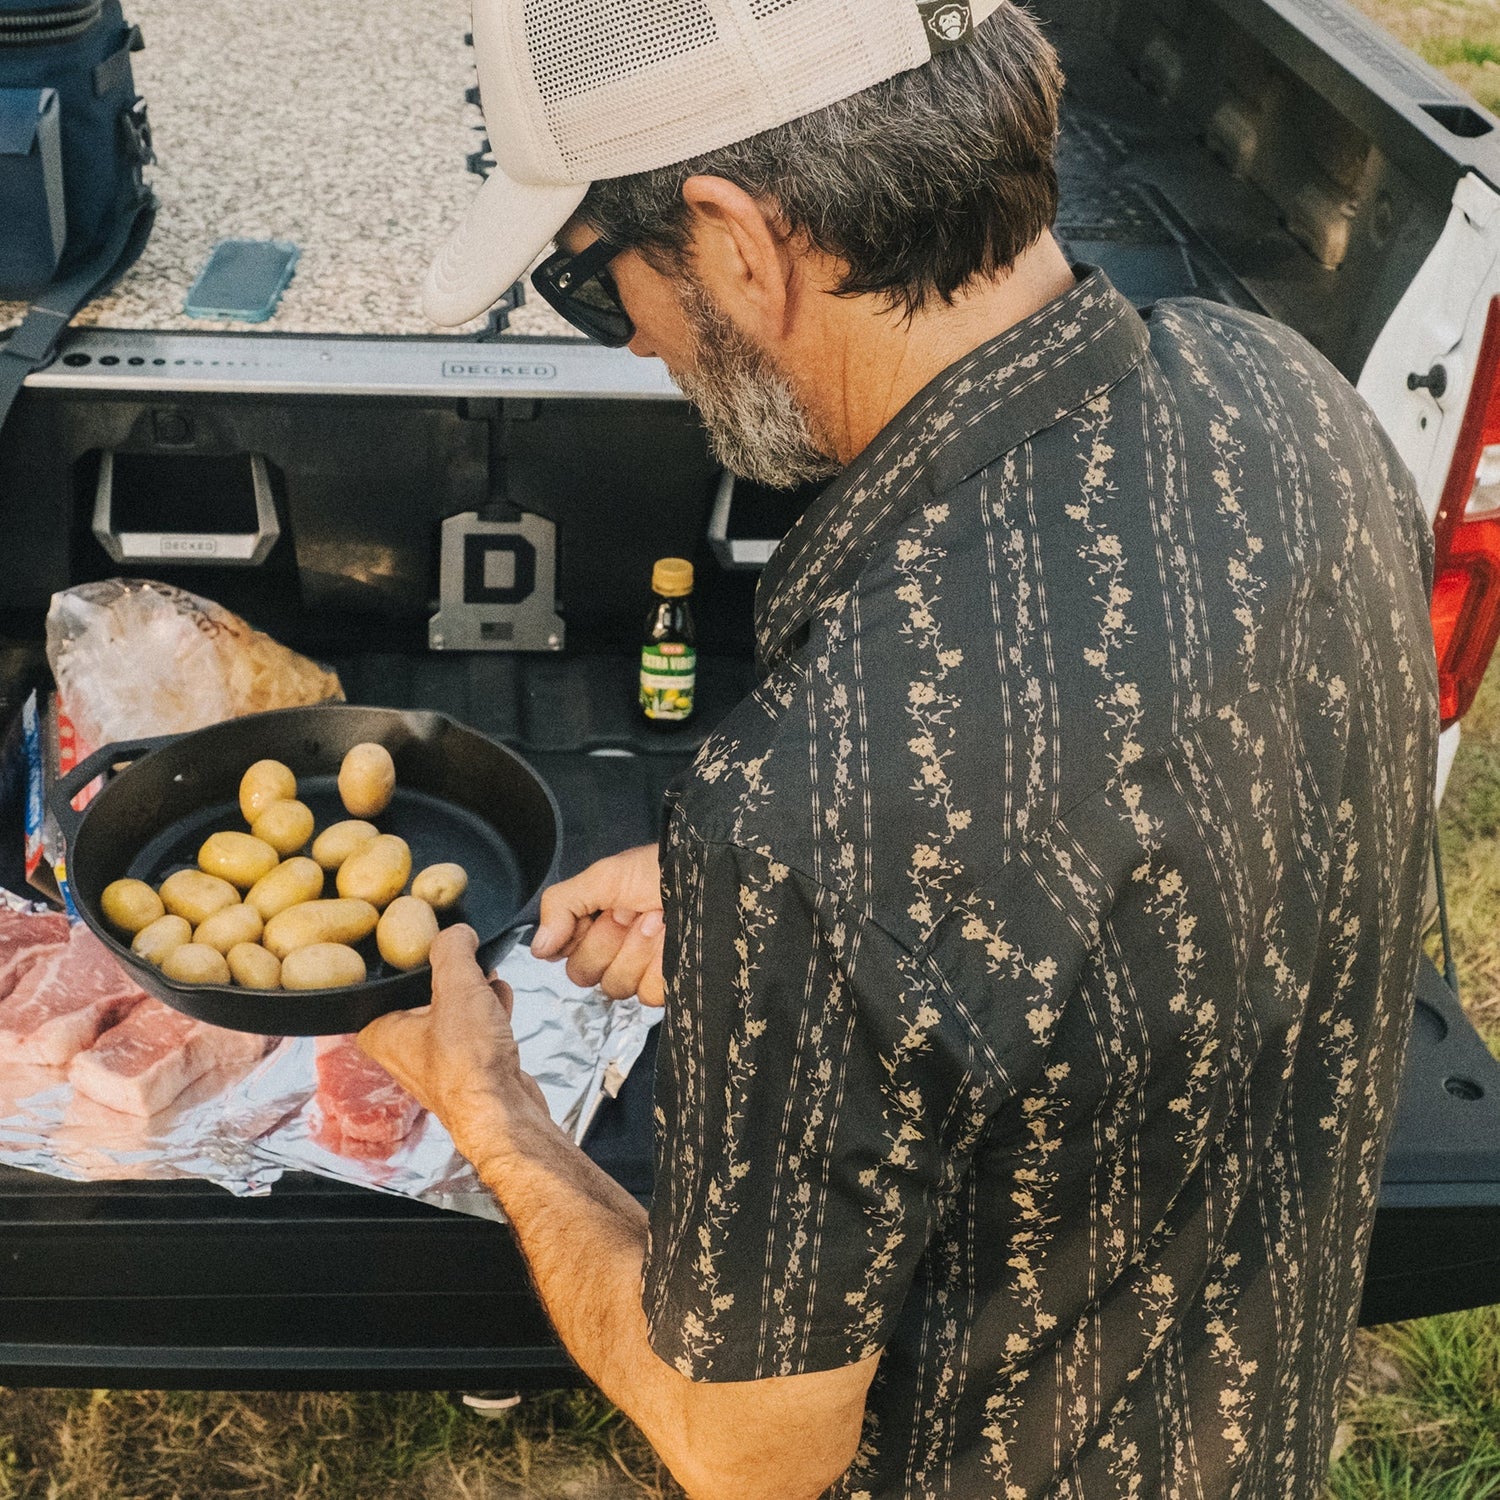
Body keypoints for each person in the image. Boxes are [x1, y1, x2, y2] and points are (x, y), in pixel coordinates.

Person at [360, 2, 1440, 1496]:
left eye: (595, 288)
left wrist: (495, 1112)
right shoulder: (1281, 394)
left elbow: (746, 1449)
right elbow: (1171, 848)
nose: (646, 347)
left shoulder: (821, 811)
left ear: (738, 241)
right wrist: (833, 944)